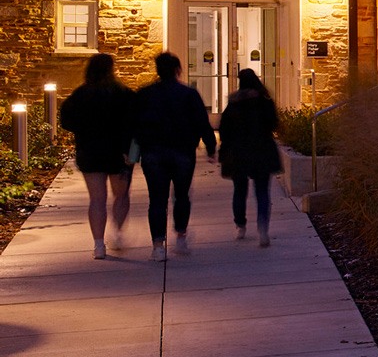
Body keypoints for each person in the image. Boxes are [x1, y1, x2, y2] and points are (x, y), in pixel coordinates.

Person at [133, 51, 217, 260]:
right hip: (182, 153)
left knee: (157, 199)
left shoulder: (144, 95)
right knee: (181, 196)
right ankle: (180, 236)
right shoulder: (188, 95)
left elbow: (133, 125)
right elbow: (202, 123)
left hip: (153, 153)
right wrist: (211, 147)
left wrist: (133, 152)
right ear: (177, 70)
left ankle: (158, 245)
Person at [59, 53, 136, 260]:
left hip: (90, 152)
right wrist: (133, 152)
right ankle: (118, 234)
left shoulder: (80, 95)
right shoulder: (124, 94)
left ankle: (98, 244)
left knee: (97, 199)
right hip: (120, 153)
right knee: (121, 195)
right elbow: (135, 124)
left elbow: (66, 121)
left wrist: (84, 131)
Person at [217, 68, 281, 247]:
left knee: (239, 190)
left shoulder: (234, 103)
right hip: (261, 150)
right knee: (262, 191)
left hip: (238, 152)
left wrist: (224, 148)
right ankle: (263, 227)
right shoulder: (265, 100)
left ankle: (240, 225)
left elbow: (224, 129)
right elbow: (274, 123)